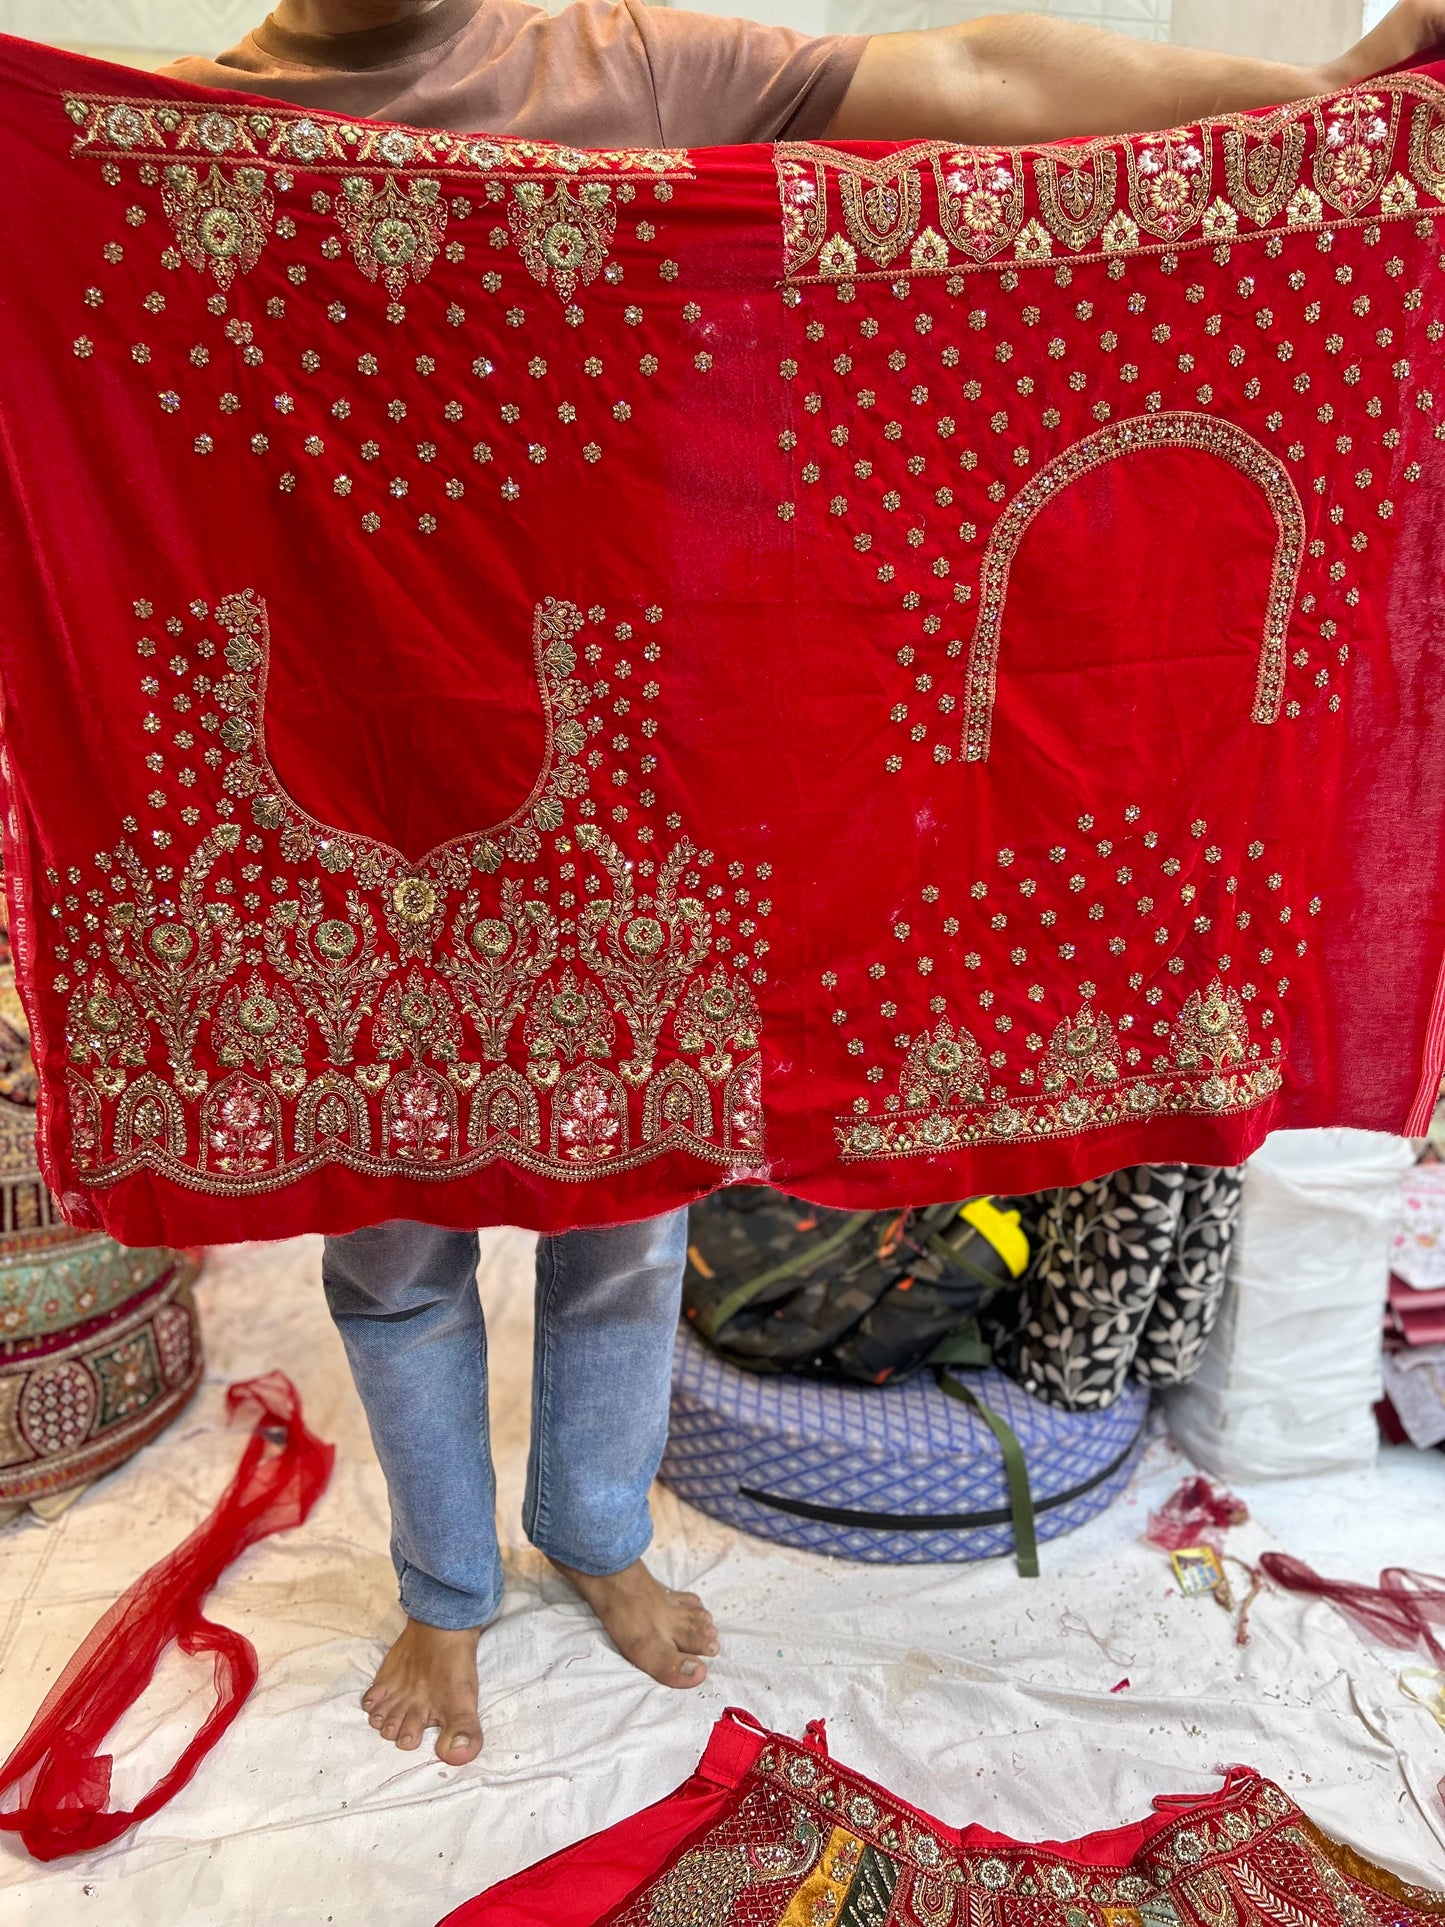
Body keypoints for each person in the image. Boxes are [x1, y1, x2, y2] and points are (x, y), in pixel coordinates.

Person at [166, 0, 1445, 1770]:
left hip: (625, 766)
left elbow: (975, 78)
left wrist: (1313, 96)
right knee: (391, 1240)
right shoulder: (147, 138)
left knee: (625, 1218)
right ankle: (444, 1589)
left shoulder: (610, 68)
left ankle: (592, 1533)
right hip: (324, 783)